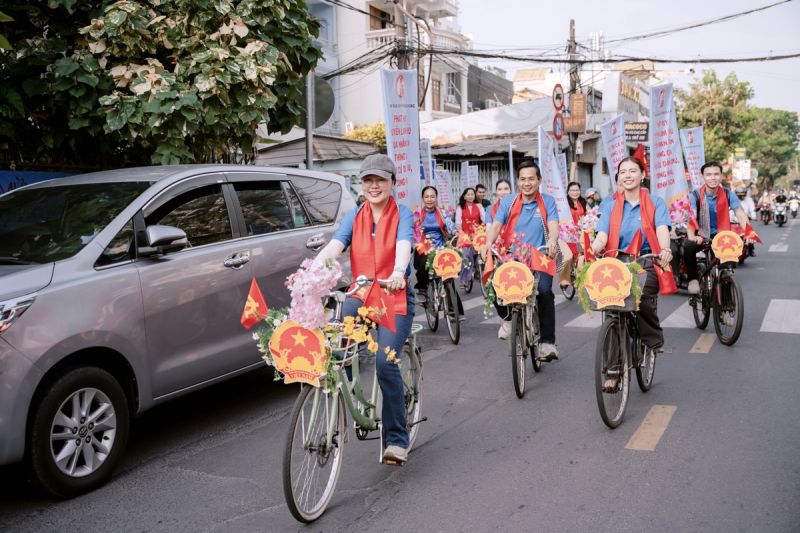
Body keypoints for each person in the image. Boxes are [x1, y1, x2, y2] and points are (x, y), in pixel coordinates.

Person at [313, 154, 415, 465]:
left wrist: (398, 272)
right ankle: (354, 396)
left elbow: (404, 244)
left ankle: (396, 438)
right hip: (361, 294)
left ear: (392, 182)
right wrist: (311, 271)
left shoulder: (403, 213)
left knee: (386, 364)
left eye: (380, 180)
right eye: (368, 180)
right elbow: (335, 246)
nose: (374, 186)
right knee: (338, 349)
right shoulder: (354, 216)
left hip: (393, 294)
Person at [591, 156, 672, 388]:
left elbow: (662, 229)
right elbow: (602, 234)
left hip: (646, 259)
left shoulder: (655, 202)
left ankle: (652, 337)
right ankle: (613, 371)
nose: (627, 175)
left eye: (632, 171)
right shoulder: (610, 205)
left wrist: (665, 249)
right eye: (623, 171)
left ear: (642, 175)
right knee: (613, 309)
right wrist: (594, 248)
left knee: (641, 294)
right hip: (616, 260)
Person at [481, 160, 561, 361]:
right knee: (494, 284)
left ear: (539, 180)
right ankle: (508, 319)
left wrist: (552, 240)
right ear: (517, 181)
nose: (527, 183)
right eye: (523, 179)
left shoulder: (548, 201)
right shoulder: (508, 201)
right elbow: (497, 224)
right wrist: (488, 242)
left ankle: (547, 343)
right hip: (512, 257)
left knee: (544, 292)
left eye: (531, 179)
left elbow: (553, 224)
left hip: (540, 257)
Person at [684, 161, 750, 295]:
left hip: (722, 236)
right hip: (701, 235)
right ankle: (693, 279)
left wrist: (748, 232)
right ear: (703, 177)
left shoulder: (728, 194)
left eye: (716, 174)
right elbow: (691, 218)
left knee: (727, 265)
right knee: (688, 246)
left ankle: (725, 293)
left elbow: (740, 213)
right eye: (708, 175)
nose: (712, 178)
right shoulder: (695, 195)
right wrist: (692, 236)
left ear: (721, 176)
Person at [413, 185, 457, 303]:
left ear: (436, 197)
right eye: (426, 197)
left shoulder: (441, 212)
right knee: (424, 261)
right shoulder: (417, 213)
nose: (429, 199)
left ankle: (454, 307)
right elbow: (413, 229)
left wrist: (455, 231)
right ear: (423, 198)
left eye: (432, 196)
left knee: (449, 273)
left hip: (440, 245)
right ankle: (422, 289)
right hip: (423, 246)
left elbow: (449, 223)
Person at [559, 181, 587, 290]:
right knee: (568, 257)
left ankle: (582, 277)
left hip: (581, 233)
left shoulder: (583, 202)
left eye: (577, 190)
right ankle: (564, 279)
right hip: (567, 234)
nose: (575, 192)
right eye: (572, 190)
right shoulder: (564, 204)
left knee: (587, 255)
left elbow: (589, 215)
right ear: (568, 192)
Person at [455, 187, 485, 289]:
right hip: (465, 235)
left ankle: (482, 272)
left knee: (485, 251)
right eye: (468, 194)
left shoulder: (479, 206)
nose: (470, 196)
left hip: (478, 234)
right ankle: (464, 279)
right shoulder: (460, 207)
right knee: (466, 255)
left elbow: (484, 218)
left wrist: (483, 227)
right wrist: (462, 233)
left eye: (472, 194)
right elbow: (458, 223)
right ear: (464, 196)